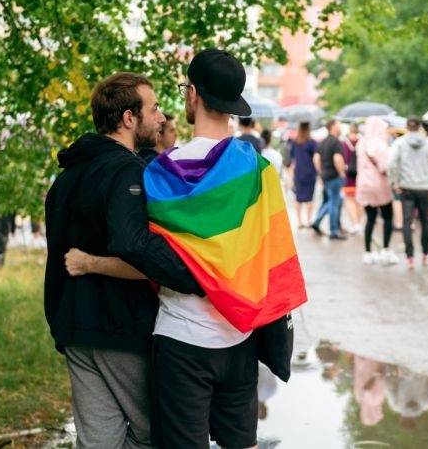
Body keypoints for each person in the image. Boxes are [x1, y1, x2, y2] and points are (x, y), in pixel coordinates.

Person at [71, 49, 306, 449]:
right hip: (239, 334)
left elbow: (147, 249)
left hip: (180, 341)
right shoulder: (258, 171)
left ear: (193, 95)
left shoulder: (162, 172)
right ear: (233, 103)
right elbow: (272, 255)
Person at [44, 72, 204, 448]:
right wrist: (190, 272)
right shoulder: (128, 171)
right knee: (155, 435)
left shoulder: (66, 177)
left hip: (75, 325)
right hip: (121, 328)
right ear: (129, 119)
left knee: (99, 442)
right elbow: (134, 247)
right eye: (154, 108)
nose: (161, 117)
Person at [388, 116, 428, 269]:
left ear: (406, 127)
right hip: (424, 187)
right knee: (425, 221)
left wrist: (394, 182)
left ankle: (409, 257)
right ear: (419, 127)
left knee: (407, 222)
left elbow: (391, 164)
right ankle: (425, 253)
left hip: (406, 188)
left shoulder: (399, 143)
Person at [356, 117, 399, 265]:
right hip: (381, 186)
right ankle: (385, 249)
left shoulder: (361, 143)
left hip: (364, 185)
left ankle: (367, 252)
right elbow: (385, 167)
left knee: (370, 218)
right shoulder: (382, 145)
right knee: (387, 217)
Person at [311, 119, 347, 240]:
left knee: (331, 201)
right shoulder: (336, 142)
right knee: (334, 203)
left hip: (326, 176)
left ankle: (317, 222)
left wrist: (321, 172)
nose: (340, 127)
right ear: (332, 127)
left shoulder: (323, 142)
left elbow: (316, 159)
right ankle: (334, 231)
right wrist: (342, 173)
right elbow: (337, 159)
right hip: (334, 176)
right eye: (338, 125)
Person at [289, 122, 317, 228]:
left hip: (298, 173)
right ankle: (309, 221)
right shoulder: (312, 143)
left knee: (298, 198)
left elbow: (293, 160)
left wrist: (291, 176)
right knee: (310, 198)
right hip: (310, 173)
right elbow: (315, 158)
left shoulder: (295, 143)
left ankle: (300, 222)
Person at [342, 125, 363, 234]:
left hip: (349, 176)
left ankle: (355, 224)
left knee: (350, 200)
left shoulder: (345, 143)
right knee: (360, 201)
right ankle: (358, 223)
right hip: (361, 176)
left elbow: (343, 159)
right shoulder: (362, 142)